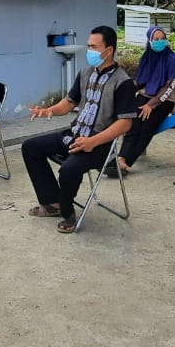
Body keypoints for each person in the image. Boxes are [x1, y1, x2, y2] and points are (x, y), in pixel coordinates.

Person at [22, 25, 138, 234]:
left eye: (94, 47)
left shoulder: (123, 82)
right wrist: (48, 111)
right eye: (88, 46)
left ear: (108, 50)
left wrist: (93, 142)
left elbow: (125, 123)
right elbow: (69, 103)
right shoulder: (85, 73)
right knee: (30, 147)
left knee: (69, 169)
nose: (89, 51)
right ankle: (53, 202)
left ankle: (67, 212)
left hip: (100, 144)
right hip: (75, 135)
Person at [111, 26, 175, 177]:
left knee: (147, 128)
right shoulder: (147, 56)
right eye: (156, 39)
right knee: (132, 123)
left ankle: (126, 161)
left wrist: (151, 104)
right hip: (145, 95)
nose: (159, 42)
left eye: (162, 39)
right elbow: (139, 80)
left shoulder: (172, 60)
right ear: (149, 41)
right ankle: (121, 157)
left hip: (164, 100)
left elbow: (170, 87)